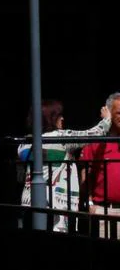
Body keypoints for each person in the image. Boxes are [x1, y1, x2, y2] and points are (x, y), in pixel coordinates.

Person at [18, 99, 90, 232]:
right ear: (49, 118)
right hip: (56, 205)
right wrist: (107, 120)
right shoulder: (61, 138)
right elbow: (93, 134)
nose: (62, 119)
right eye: (58, 115)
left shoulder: (23, 144)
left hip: (28, 201)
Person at [79, 94, 120, 238]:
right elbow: (85, 176)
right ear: (108, 113)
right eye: (119, 113)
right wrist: (90, 203)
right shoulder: (96, 143)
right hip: (103, 211)